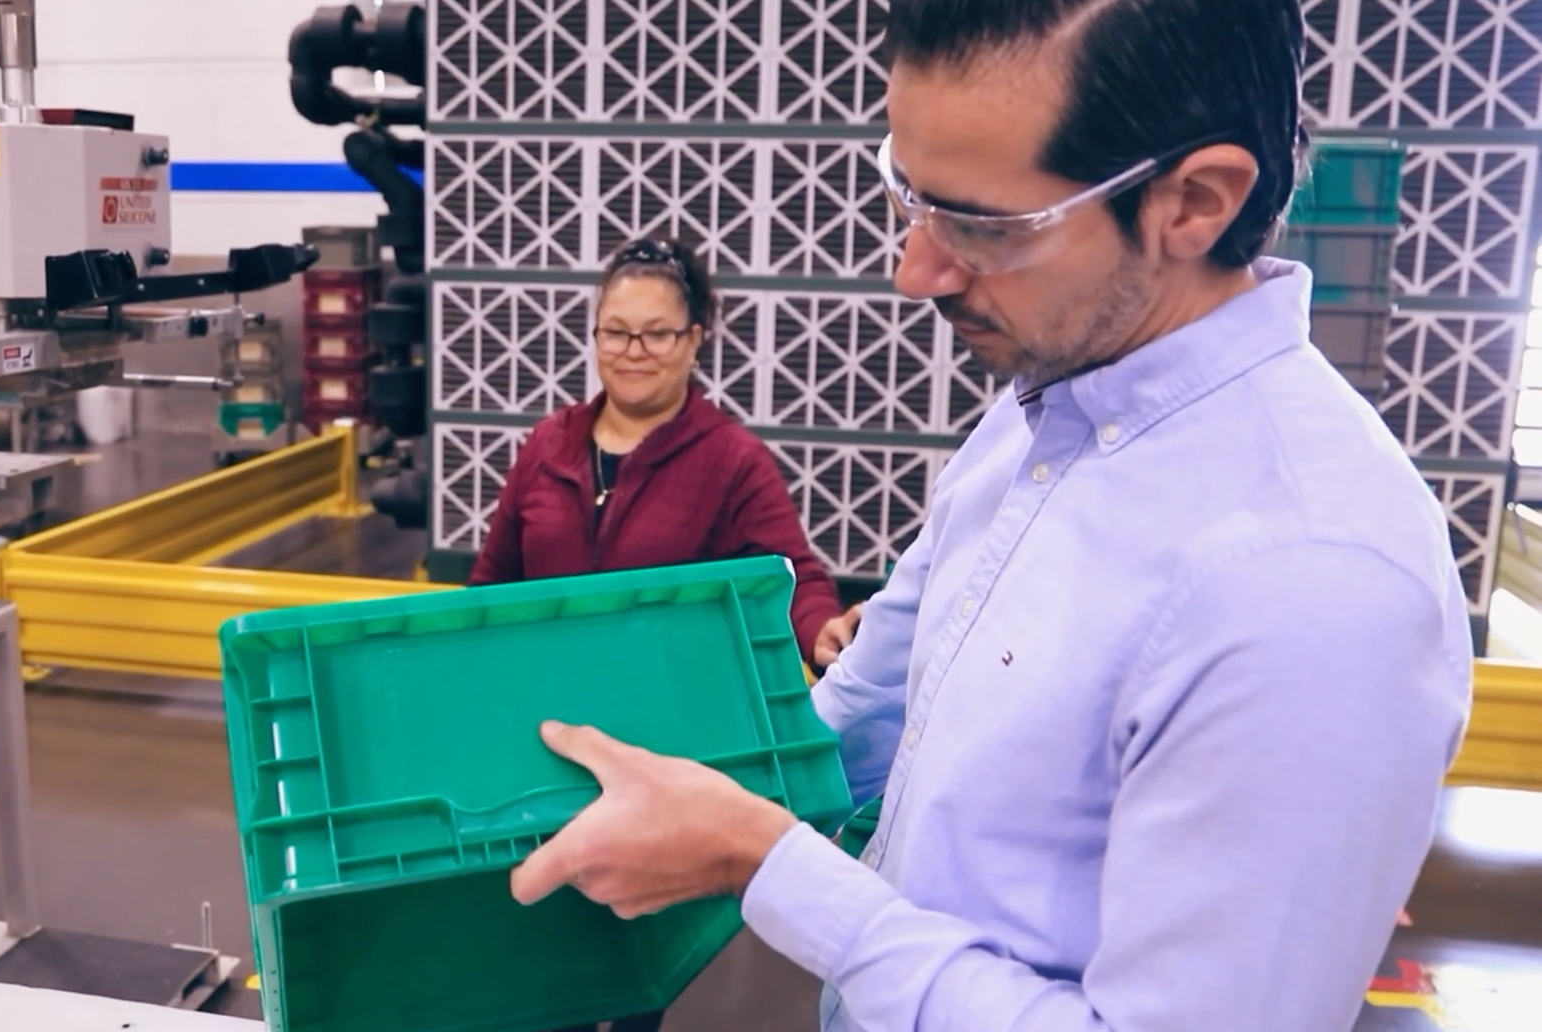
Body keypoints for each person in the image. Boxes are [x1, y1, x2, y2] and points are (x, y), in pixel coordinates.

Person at [504, 3, 1474, 1031]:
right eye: (911, 199)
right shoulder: (1039, 418)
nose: (915, 271)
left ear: (1194, 202)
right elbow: (868, 723)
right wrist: (694, 793)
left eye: (980, 224)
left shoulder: (1311, 582)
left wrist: (764, 860)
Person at [470, 237, 844, 671]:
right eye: (616, 332)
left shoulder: (734, 460)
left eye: (657, 334)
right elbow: (491, 584)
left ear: (693, 341)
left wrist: (821, 631)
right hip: (543, 696)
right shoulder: (547, 443)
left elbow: (793, 576)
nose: (633, 351)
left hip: (666, 717)